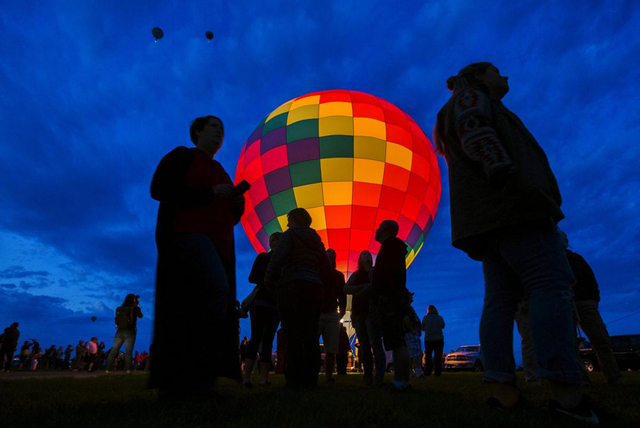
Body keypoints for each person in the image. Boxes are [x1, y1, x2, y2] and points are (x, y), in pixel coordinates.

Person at [433, 62, 596, 422]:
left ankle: (503, 391)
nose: (505, 76)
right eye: (497, 71)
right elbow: (475, 130)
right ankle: (567, 395)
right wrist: (501, 169)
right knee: (551, 284)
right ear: (478, 76)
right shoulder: (472, 98)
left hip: (488, 220)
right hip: (514, 207)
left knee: (499, 301)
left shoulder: (462, 103)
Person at [150, 115, 245, 399]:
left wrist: (237, 205)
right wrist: (210, 193)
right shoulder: (182, 156)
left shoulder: (221, 170)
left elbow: (226, 218)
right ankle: (193, 366)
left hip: (219, 246)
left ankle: (195, 375)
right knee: (217, 291)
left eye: (223, 130)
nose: (219, 133)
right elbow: (159, 190)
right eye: (214, 127)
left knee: (201, 303)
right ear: (198, 131)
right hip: (186, 236)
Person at [264, 208, 332, 388]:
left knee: (292, 334)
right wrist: (322, 285)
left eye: (289, 219)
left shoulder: (289, 235)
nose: (287, 224)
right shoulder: (316, 239)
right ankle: (311, 379)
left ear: (294, 220)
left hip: (291, 285)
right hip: (313, 286)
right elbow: (326, 265)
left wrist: (269, 280)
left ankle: (293, 379)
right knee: (310, 336)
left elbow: (277, 258)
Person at [559, 231, 623, 385]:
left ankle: (613, 377)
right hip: (565, 303)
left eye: (565, 238)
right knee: (570, 343)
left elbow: (590, 278)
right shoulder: (552, 260)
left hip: (586, 302)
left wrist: (594, 298)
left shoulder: (576, 259)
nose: (564, 241)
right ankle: (581, 378)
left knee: (601, 339)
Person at [370, 220, 412, 391]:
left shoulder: (390, 248)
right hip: (394, 299)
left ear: (386, 231)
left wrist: (381, 295)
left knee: (396, 341)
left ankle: (401, 381)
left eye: (379, 228)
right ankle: (402, 380)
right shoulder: (394, 248)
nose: (376, 231)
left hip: (390, 300)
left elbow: (387, 276)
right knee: (397, 341)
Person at [244, 232, 282, 388]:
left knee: (262, 339)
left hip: (267, 304)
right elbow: (252, 278)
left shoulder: (273, 260)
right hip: (266, 303)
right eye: (271, 240)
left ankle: (257, 378)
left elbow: (252, 278)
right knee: (260, 339)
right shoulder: (268, 259)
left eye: (275, 240)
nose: (272, 242)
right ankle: (255, 378)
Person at [344, 250, 385, 385]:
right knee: (364, 346)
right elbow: (346, 289)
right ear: (360, 260)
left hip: (371, 313)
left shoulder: (375, 272)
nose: (366, 255)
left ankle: (379, 376)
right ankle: (368, 375)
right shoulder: (356, 275)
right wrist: (363, 288)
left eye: (368, 254)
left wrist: (358, 291)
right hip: (358, 314)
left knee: (376, 344)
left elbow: (375, 287)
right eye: (363, 254)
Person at [317, 248, 347, 383]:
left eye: (332, 257)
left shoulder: (339, 276)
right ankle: (312, 373)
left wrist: (342, 311)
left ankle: (328, 376)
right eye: (327, 257)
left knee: (331, 349)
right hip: (318, 313)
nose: (330, 259)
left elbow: (342, 295)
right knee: (312, 345)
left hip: (332, 314)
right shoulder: (316, 273)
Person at [106, 294, 143, 374]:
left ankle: (107, 369)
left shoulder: (119, 308)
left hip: (119, 331)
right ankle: (128, 370)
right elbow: (141, 316)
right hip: (130, 332)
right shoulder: (135, 308)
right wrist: (137, 305)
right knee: (128, 352)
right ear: (134, 300)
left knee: (114, 351)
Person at [422, 305, 445, 377]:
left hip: (428, 339)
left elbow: (422, 328)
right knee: (438, 356)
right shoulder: (440, 318)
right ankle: (437, 372)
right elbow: (443, 326)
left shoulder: (425, 318)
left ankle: (428, 372)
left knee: (428, 356)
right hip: (438, 339)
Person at [405, 295, 423, 377]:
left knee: (412, 353)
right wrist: (411, 330)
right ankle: (417, 372)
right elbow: (406, 319)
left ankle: (411, 372)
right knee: (415, 353)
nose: (412, 298)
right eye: (410, 296)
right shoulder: (407, 308)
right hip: (411, 333)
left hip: (411, 332)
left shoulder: (409, 307)